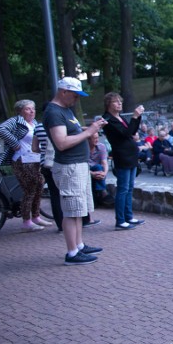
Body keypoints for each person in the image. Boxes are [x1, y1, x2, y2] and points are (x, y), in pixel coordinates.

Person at [43, 77, 105, 265]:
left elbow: (71, 132)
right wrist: (89, 131)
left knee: (78, 209)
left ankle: (79, 245)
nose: (77, 99)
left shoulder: (65, 110)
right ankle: (71, 253)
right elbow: (61, 143)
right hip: (69, 167)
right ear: (63, 92)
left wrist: (89, 128)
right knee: (71, 211)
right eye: (75, 95)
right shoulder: (54, 112)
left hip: (78, 165)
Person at [0, 100, 50, 231]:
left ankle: (36, 216)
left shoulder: (35, 123)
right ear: (20, 111)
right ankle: (26, 221)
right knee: (30, 189)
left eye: (33, 108)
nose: (32, 111)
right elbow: (0, 129)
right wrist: (15, 143)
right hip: (22, 160)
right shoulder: (16, 121)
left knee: (39, 186)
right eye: (28, 109)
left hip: (35, 159)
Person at [102, 92, 146, 230]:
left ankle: (129, 216)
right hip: (122, 157)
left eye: (120, 101)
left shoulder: (119, 117)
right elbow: (126, 134)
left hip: (131, 156)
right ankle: (120, 220)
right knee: (123, 189)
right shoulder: (108, 119)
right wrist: (134, 116)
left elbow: (131, 131)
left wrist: (137, 117)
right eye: (116, 102)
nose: (119, 104)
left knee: (129, 188)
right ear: (109, 104)